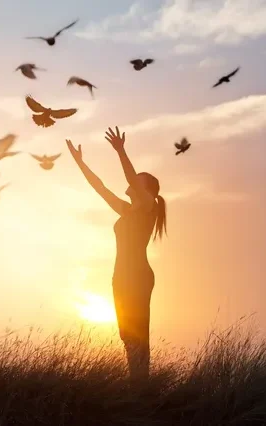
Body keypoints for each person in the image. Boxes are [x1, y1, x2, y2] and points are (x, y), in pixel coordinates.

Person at [66, 126, 167, 380]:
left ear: (147, 190)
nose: (130, 184)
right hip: (120, 276)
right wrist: (80, 163)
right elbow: (100, 188)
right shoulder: (128, 210)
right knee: (127, 335)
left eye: (137, 182)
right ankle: (137, 382)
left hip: (137, 276)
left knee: (137, 334)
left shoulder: (148, 208)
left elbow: (132, 178)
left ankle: (141, 386)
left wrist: (121, 151)